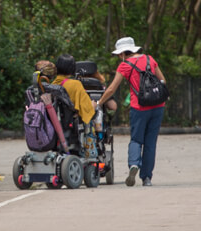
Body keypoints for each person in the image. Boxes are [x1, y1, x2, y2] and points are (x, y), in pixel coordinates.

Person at [97, 37, 166, 187]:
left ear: (122, 53)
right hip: (158, 106)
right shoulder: (150, 59)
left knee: (136, 139)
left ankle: (134, 164)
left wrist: (99, 102)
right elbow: (163, 81)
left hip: (139, 107)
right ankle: (147, 178)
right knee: (150, 143)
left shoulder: (125, 65)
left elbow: (111, 89)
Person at [52, 54, 98, 157]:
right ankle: (90, 152)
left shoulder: (52, 85)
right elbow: (87, 109)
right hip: (71, 125)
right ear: (72, 68)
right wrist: (94, 104)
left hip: (55, 125)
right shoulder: (75, 85)